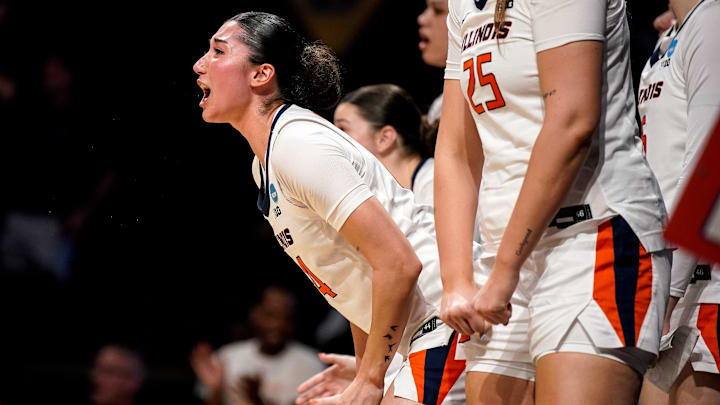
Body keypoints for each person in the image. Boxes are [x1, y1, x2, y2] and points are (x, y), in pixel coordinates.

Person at [193, 12, 463, 405]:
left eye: (218, 51)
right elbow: (350, 278)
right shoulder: (264, 163)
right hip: (417, 334)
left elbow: (398, 264)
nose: (200, 64)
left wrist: (371, 379)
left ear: (260, 75)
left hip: (445, 319)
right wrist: (369, 367)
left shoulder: (297, 144)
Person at [434, 1, 671, 405]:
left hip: (592, 237)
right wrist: (456, 280)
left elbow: (573, 121)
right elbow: (456, 150)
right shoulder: (462, 5)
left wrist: (507, 268)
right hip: (504, 259)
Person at [295, 84, 468, 405]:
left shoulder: (433, 183)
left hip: (461, 328)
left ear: (385, 138)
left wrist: (373, 376)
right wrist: (370, 371)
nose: (334, 142)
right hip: (427, 338)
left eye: (343, 131)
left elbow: (429, 285)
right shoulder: (379, 204)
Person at [636, 1, 720, 404]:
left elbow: (708, 161)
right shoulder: (670, 36)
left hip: (705, 285)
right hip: (671, 276)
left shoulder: (712, 19)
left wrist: (667, 295)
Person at [191, 286, 324, 405]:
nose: (278, 325)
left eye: (286, 317)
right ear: (255, 314)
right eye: (270, 315)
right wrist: (216, 389)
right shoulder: (227, 357)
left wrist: (256, 399)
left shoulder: (311, 364)